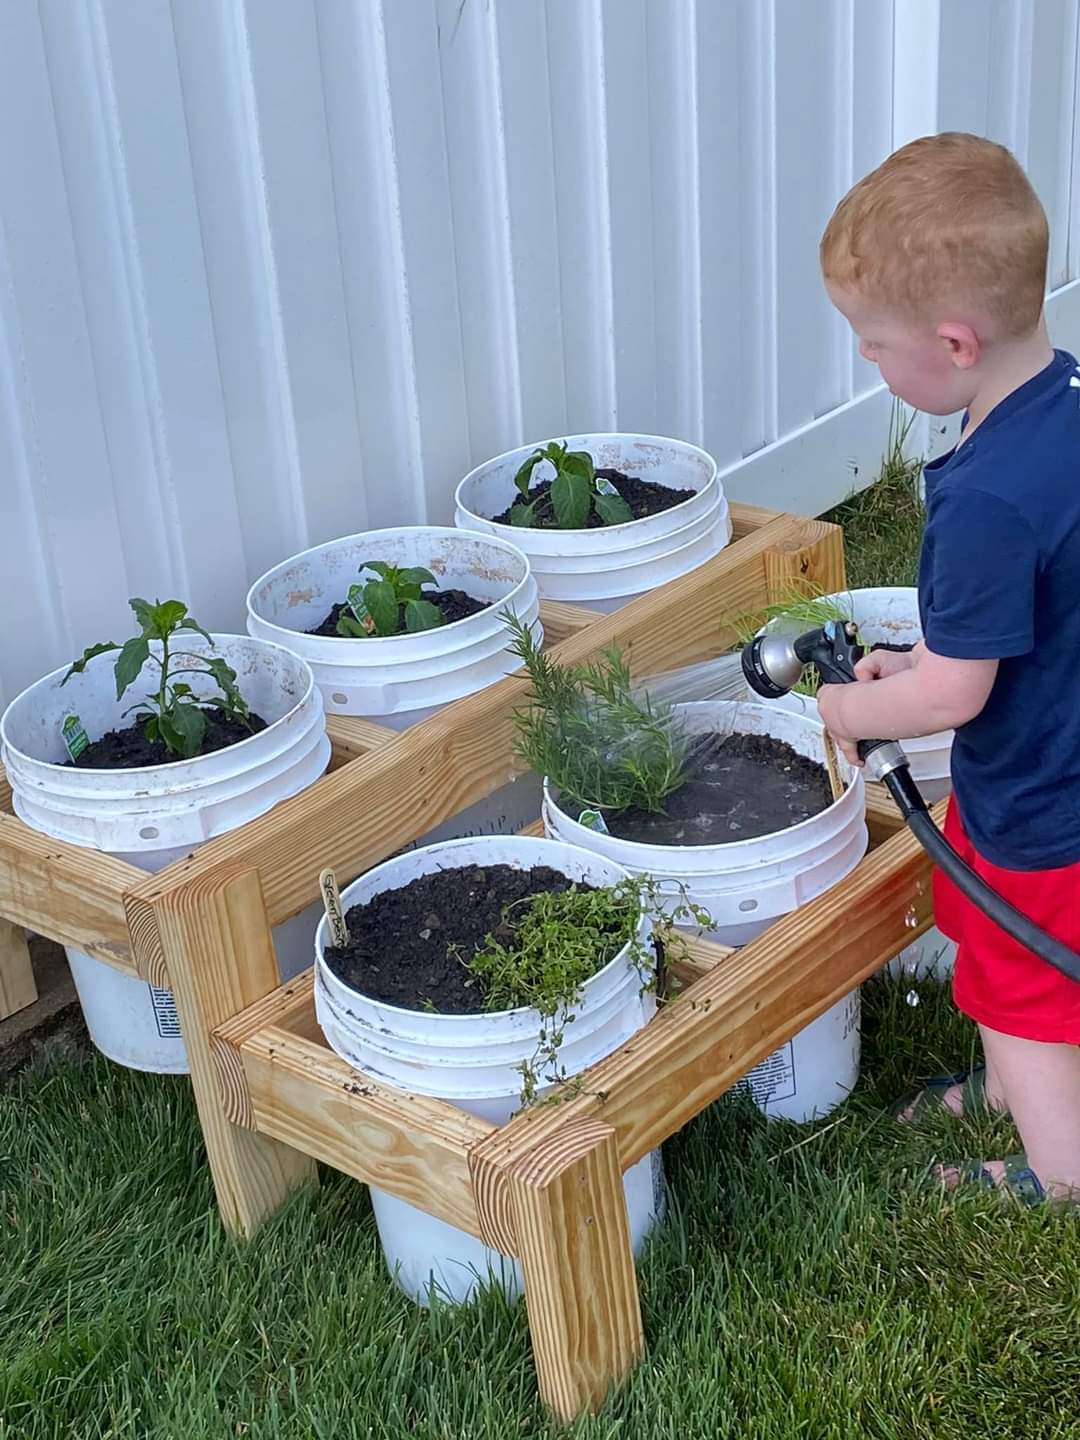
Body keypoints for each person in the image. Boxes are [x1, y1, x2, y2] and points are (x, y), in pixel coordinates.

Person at [816, 131, 1080, 1204]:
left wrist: (848, 703)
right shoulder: (1061, 403)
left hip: (1041, 807)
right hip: (1051, 761)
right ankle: (1023, 1083)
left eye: (875, 346)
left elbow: (959, 693)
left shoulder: (984, 499)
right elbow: (1021, 618)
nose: (869, 365)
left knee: (1021, 985)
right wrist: (917, 658)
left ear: (955, 343)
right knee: (995, 938)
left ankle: (1054, 1170)